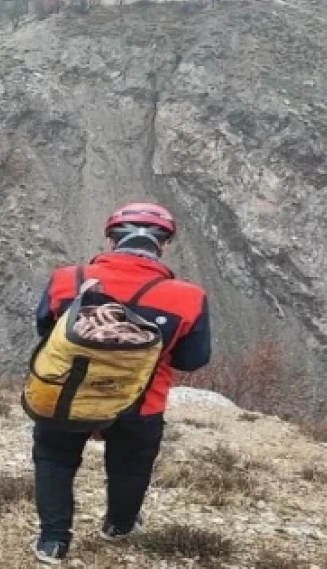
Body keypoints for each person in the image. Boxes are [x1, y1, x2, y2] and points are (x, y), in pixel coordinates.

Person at [30, 202, 212, 564]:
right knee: (131, 465)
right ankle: (120, 525)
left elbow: (46, 330)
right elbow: (193, 360)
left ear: (112, 239)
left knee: (54, 459)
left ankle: (53, 542)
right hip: (140, 403)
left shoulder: (66, 279)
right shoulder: (189, 297)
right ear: (162, 245)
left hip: (67, 393)